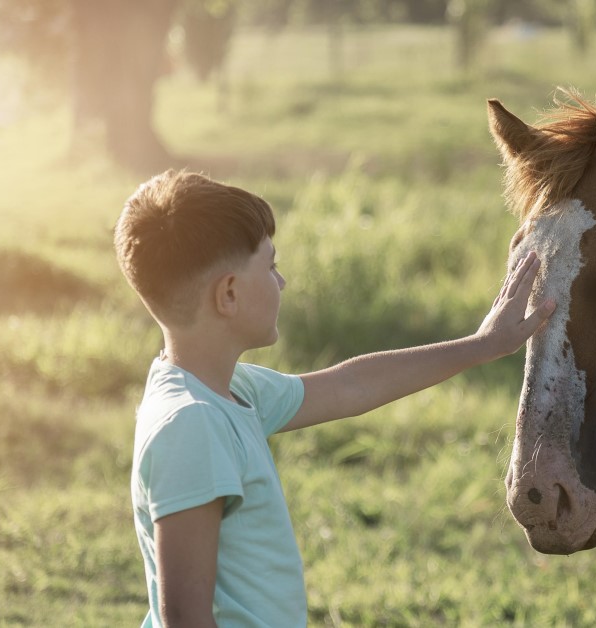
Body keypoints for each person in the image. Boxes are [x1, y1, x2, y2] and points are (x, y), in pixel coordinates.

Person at [114, 169, 554, 627]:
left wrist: (482, 345)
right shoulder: (191, 425)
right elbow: (184, 618)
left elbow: (350, 385)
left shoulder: (227, 389)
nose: (281, 282)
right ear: (228, 294)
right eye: (270, 266)